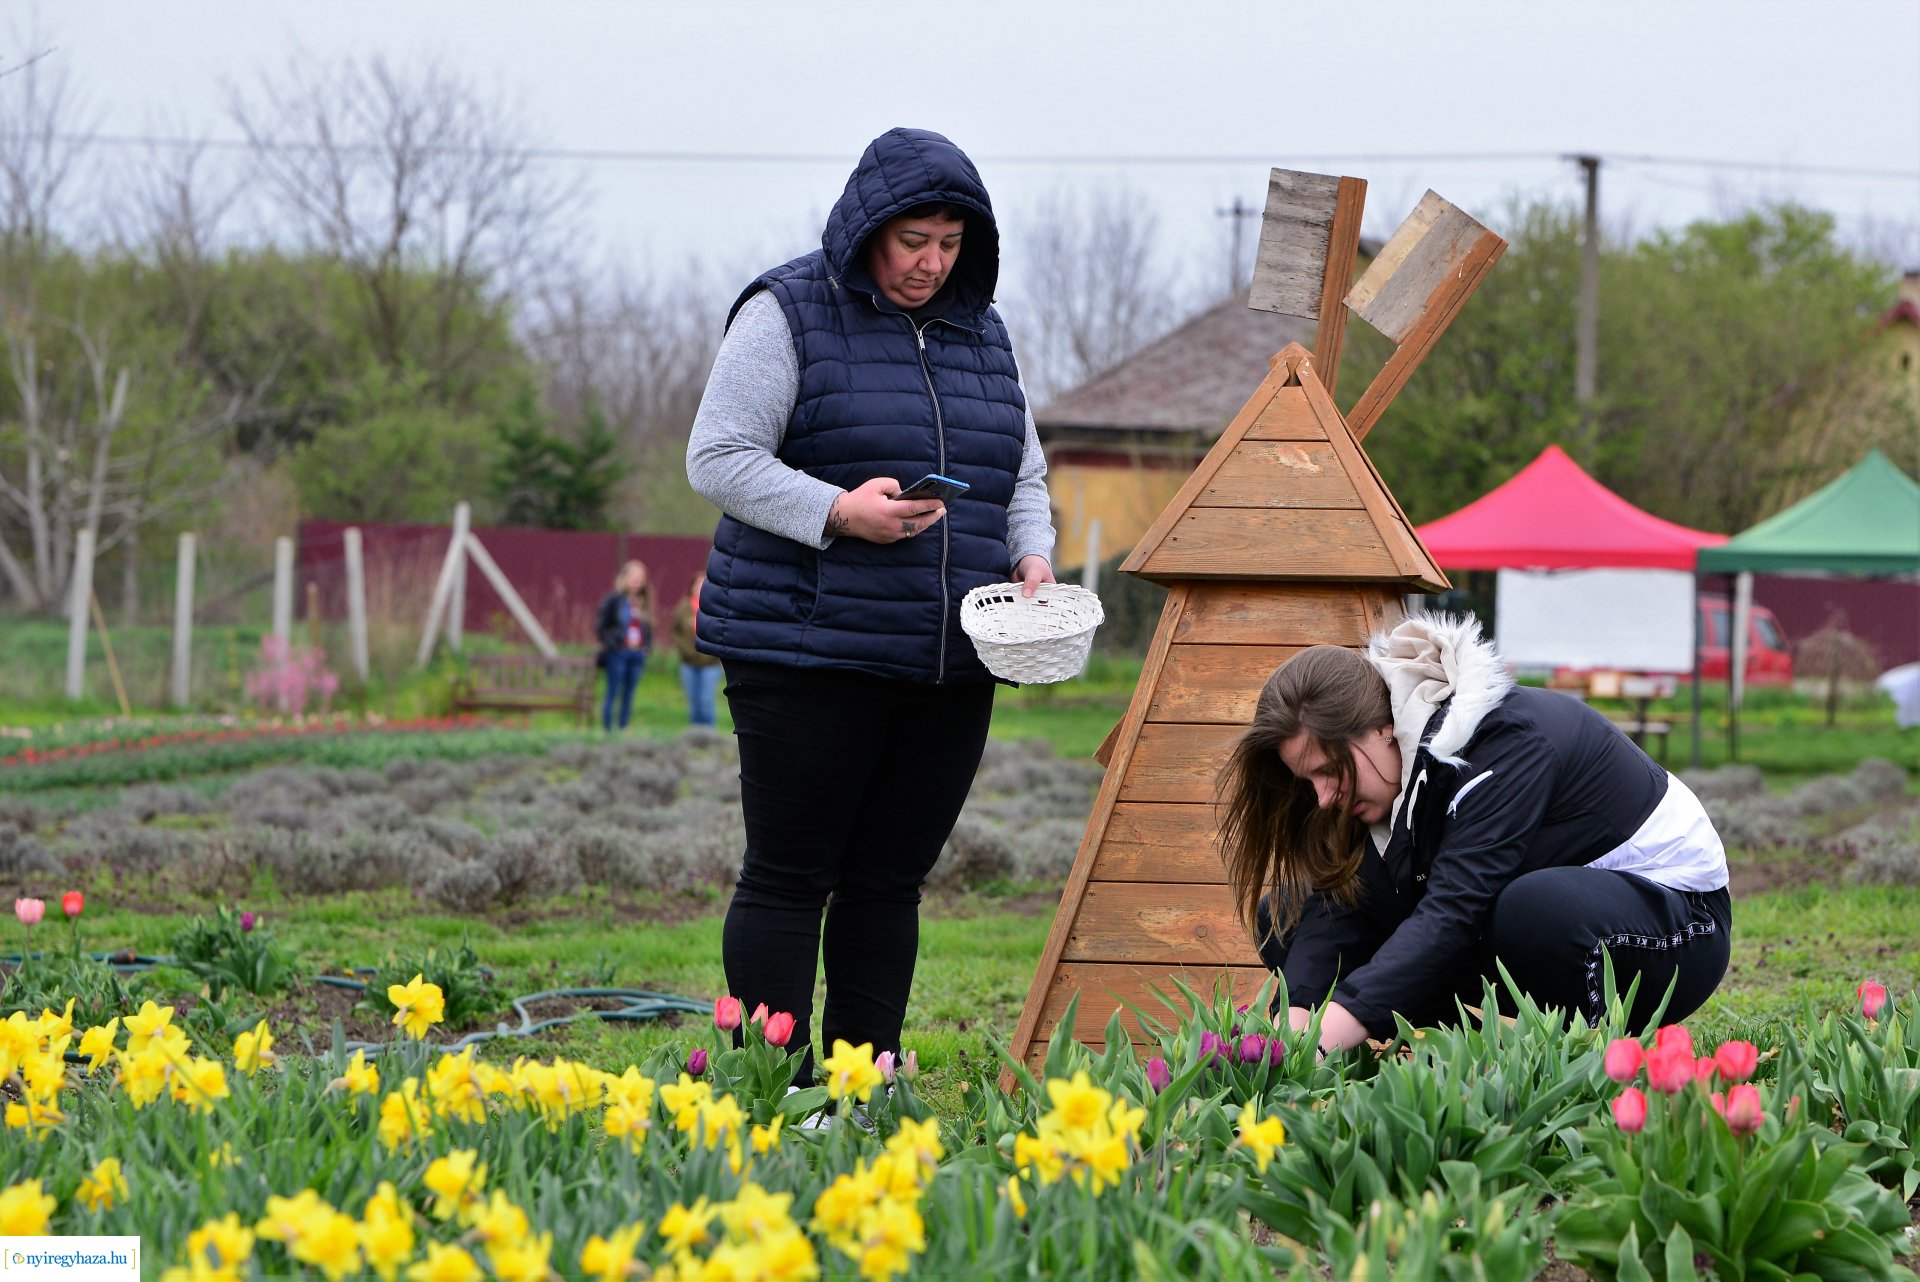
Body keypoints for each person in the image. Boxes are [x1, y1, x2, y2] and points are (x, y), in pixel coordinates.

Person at [685, 127, 1056, 1083]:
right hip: (806, 651)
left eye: (949, 243)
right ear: (867, 229)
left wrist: (1032, 551)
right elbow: (718, 457)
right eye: (912, 243)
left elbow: (1022, 467)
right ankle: (770, 1085)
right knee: (790, 875)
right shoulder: (789, 310)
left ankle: (863, 1079)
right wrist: (836, 511)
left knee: (890, 883)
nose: (931, 264)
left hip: (945, 659)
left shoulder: (984, 329)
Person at [1218, 614, 1731, 1056]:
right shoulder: (1383, 777)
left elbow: (1455, 911)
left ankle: (1584, 1061)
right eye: (1308, 780)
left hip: (1678, 923)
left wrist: (1335, 1030)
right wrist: (1301, 1018)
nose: (1323, 796)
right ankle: (1454, 1057)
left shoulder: (1501, 743)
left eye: (1328, 770)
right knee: (1285, 917)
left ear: (1383, 728)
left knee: (1532, 908)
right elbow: (1341, 909)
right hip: (1529, 915)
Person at [595, 560, 654, 732]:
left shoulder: (644, 602)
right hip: (618, 653)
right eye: (633, 577)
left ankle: (623, 727)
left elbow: (649, 627)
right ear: (624, 578)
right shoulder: (614, 600)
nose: (637, 581)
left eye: (640, 578)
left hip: (637, 654)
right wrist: (613, 644)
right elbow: (601, 626)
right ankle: (607, 729)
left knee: (629, 694)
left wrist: (647, 646)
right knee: (613, 691)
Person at [671, 573, 722, 727]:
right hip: (688, 662)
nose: (700, 588)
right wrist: (688, 650)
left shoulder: (717, 607)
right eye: (697, 584)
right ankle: (694, 735)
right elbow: (675, 632)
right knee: (693, 701)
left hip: (710, 663)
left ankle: (709, 735)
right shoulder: (684, 607)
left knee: (706, 700)